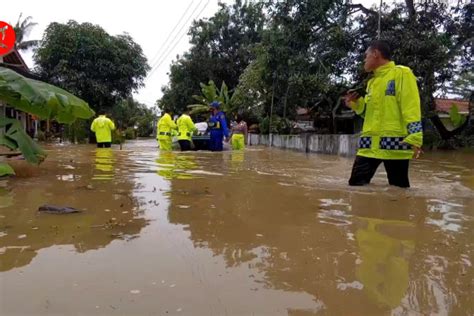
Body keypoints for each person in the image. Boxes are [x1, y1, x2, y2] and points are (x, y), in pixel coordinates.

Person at [344, 40, 423, 188]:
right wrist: (356, 104)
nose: (364, 60)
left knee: (399, 189)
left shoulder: (402, 73)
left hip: (395, 144)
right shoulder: (372, 83)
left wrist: (415, 136)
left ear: (375, 54)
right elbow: (369, 113)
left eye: (366, 55)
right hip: (369, 146)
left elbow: (411, 105)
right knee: (355, 186)